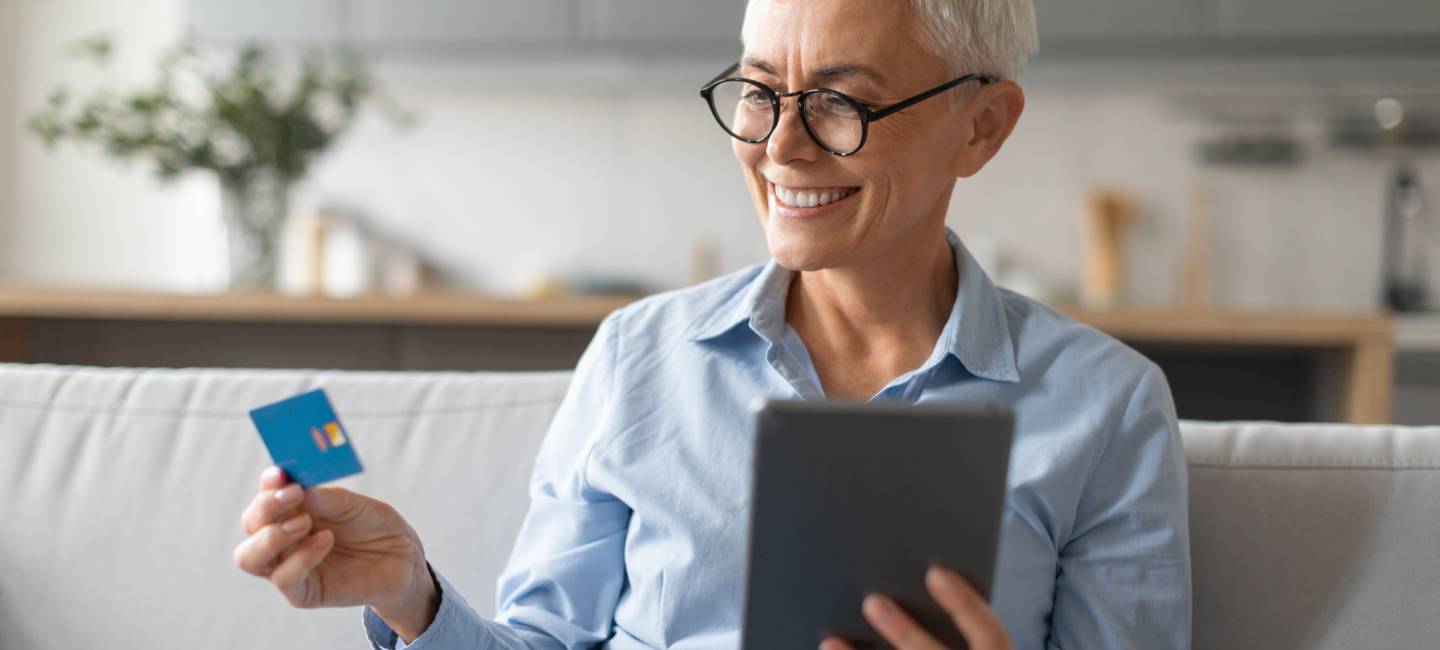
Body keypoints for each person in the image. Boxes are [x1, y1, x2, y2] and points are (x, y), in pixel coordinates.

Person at [233, 0, 1192, 647]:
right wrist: (413, 595)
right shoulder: (636, 356)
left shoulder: (1104, 407)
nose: (780, 146)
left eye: (843, 103)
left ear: (982, 127)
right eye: (761, 93)